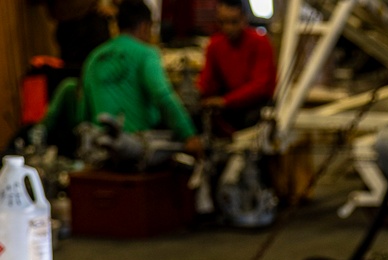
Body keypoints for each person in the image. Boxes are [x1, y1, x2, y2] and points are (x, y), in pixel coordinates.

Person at [80, 0, 201, 152]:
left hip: (98, 147)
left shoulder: (94, 57)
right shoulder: (146, 53)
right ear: (145, 27)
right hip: (135, 149)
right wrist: (189, 135)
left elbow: (83, 113)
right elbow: (163, 97)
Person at [198, 0, 276, 134]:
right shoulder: (215, 44)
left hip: (254, 106)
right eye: (223, 22)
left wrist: (225, 101)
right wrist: (197, 93)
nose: (228, 27)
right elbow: (207, 79)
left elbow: (260, 86)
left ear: (244, 19)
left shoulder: (260, 42)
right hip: (229, 106)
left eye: (233, 22)